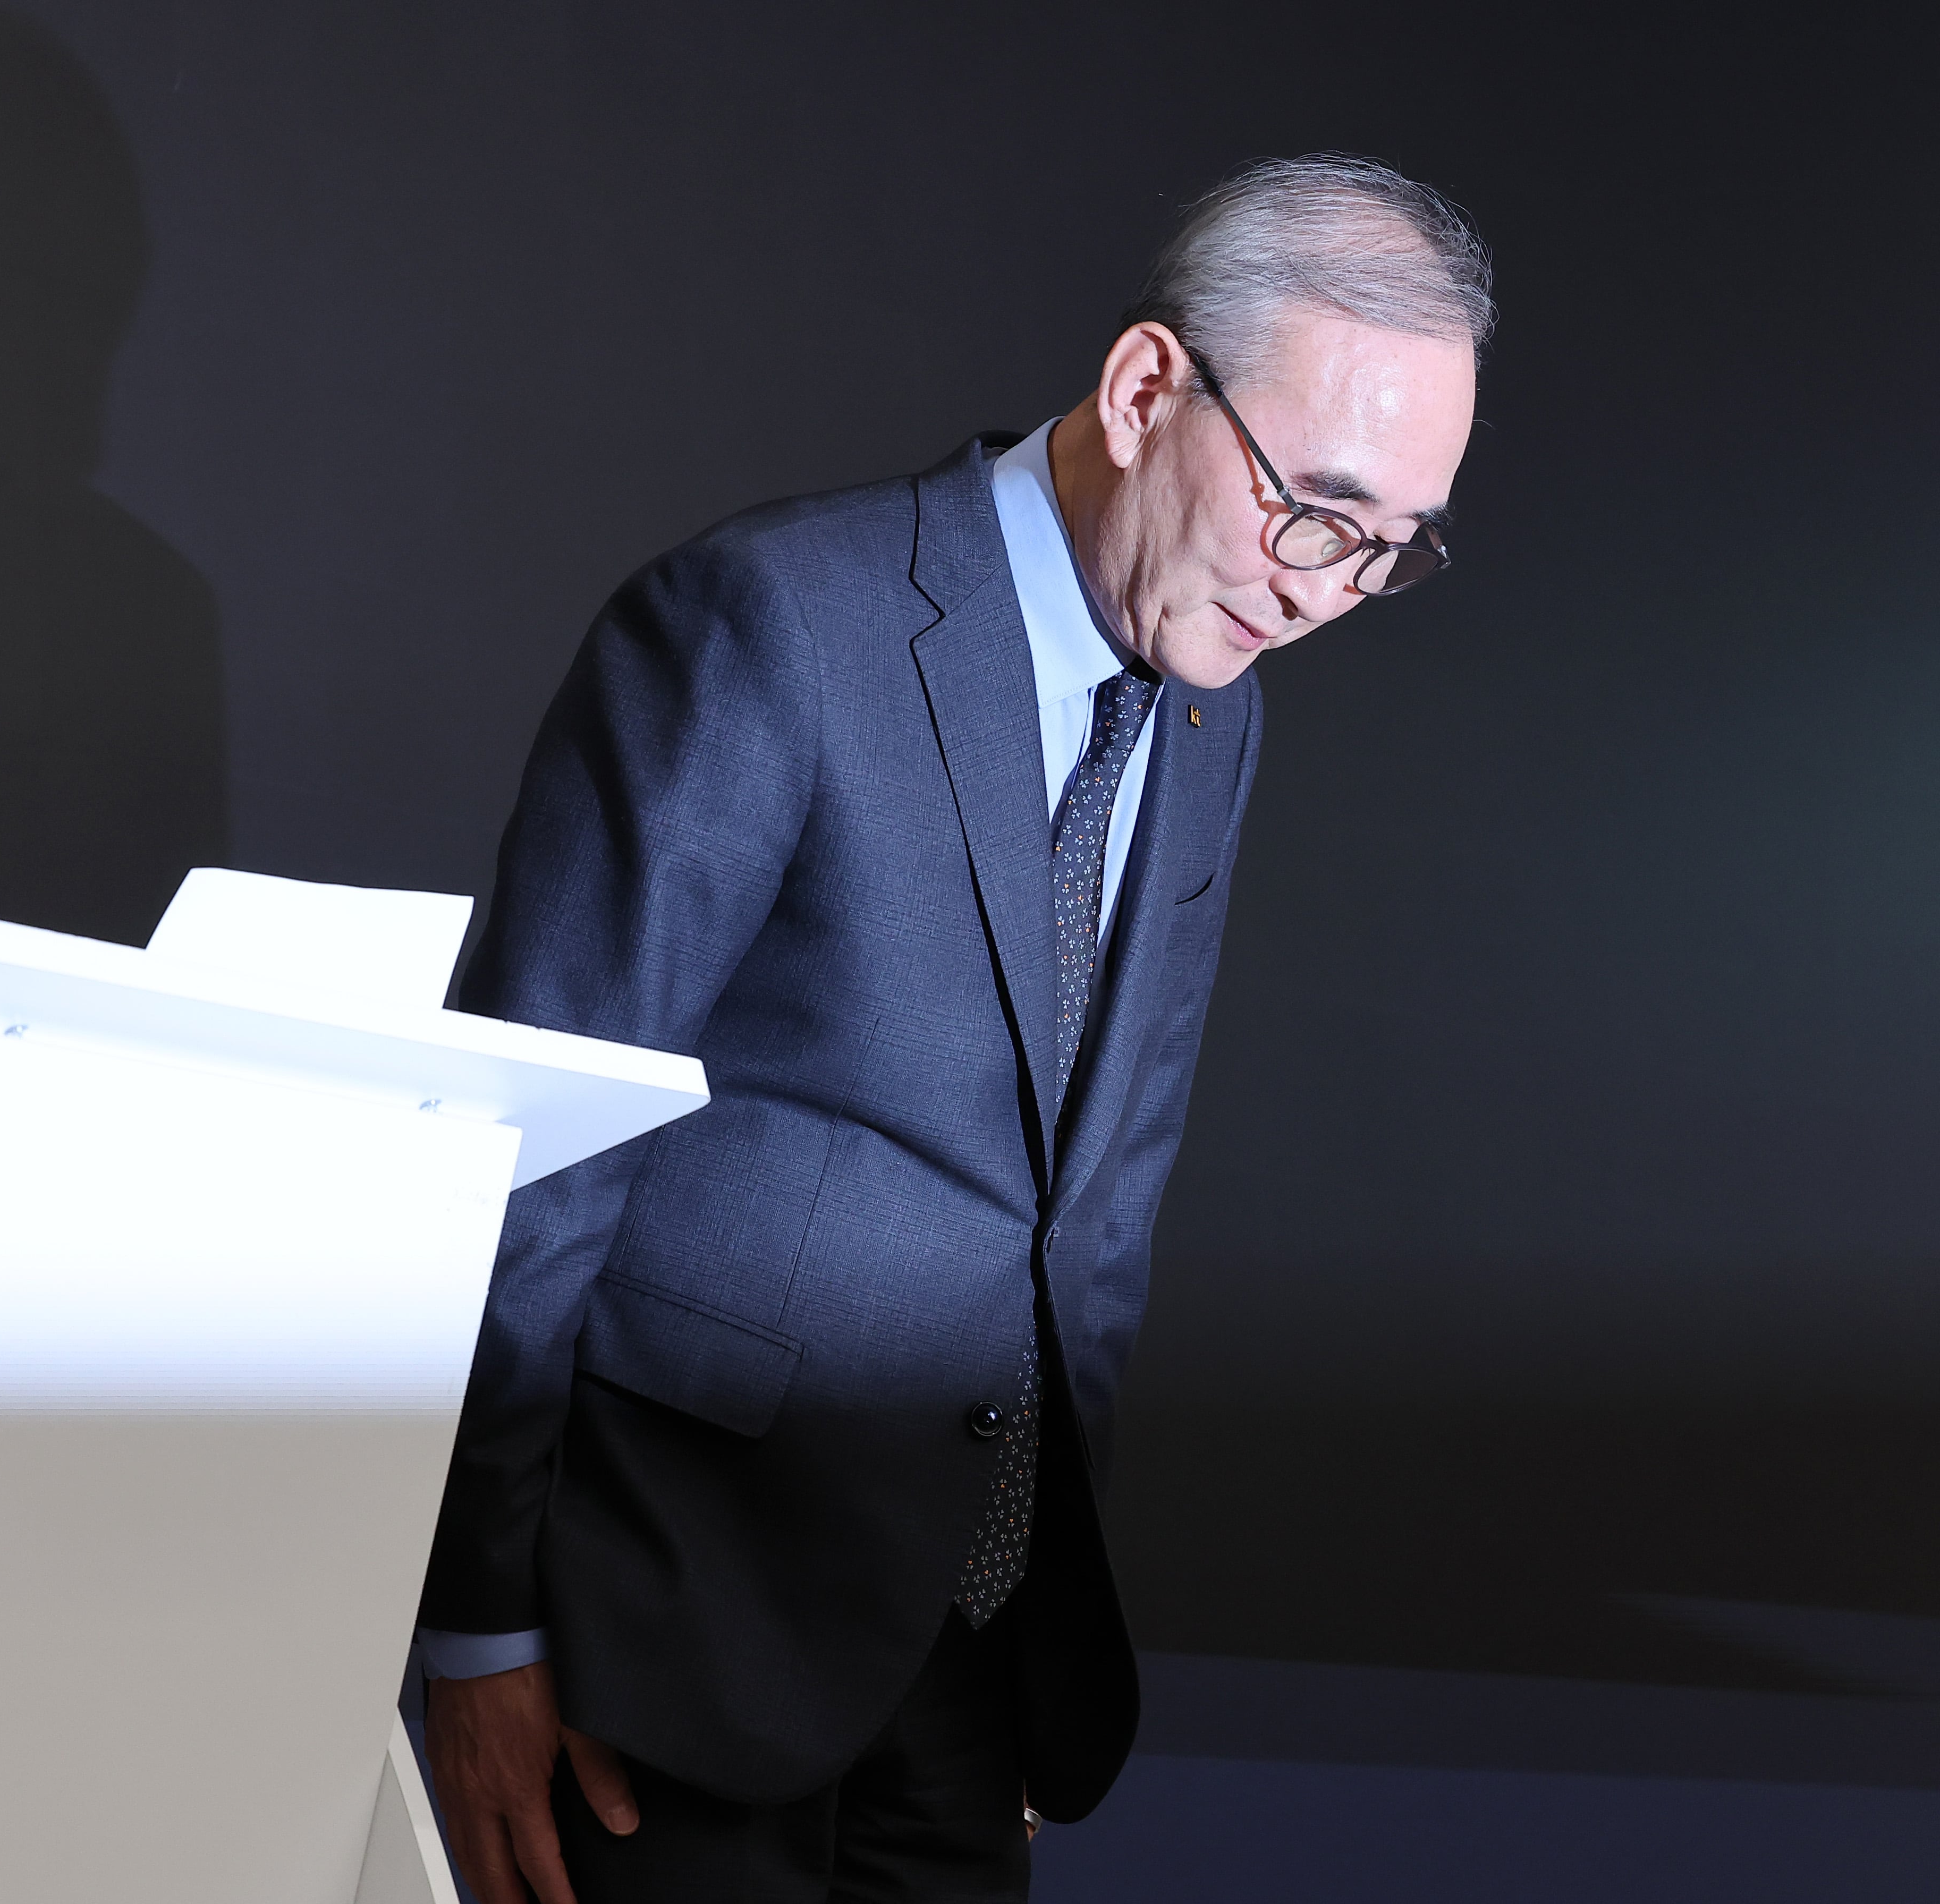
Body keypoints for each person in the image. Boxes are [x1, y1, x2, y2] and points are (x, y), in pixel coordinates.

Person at [418, 154, 1490, 1903]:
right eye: (1316, 509)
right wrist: (481, 1633)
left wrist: (1028, 1641)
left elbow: (1099, 1202)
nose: (1323, 591)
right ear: (1145, 391)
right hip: (661, 1648)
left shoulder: (1211, 700)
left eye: (1392, 550)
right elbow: (520, 1150)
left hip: (965, 1669)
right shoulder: (771, 622)